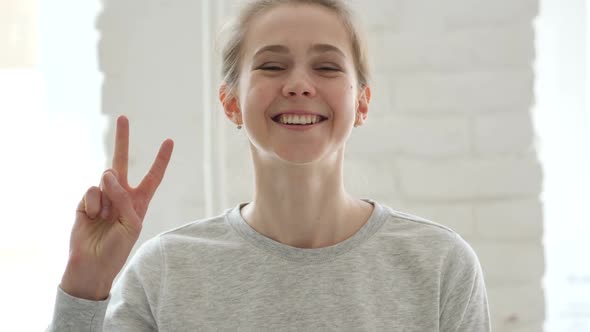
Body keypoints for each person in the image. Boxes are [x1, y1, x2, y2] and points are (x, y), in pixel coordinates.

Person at [48, 0, 491, 330]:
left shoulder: (439, 265)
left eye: (327, 67)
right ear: (231, 103)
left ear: (362, 102)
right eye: (272, 65)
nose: (298, 85)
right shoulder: (166, 270)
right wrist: (85, 284)